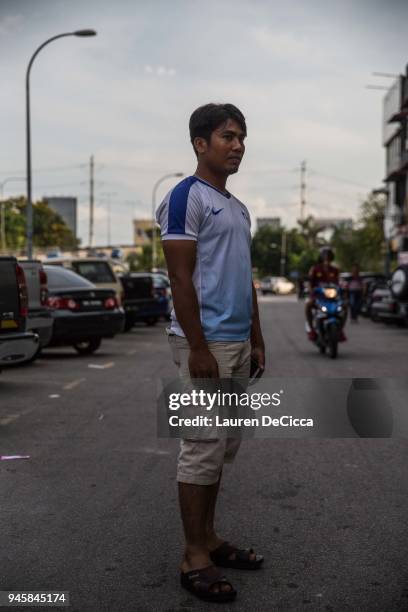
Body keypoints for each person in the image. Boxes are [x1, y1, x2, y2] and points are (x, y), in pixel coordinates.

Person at [156, 103, 265, 603]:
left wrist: (257, 338)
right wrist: (198, 346)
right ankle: (193, 557)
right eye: (228, 136)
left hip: (237, 342)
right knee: (200, 448)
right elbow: (179, 277)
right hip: (205, 344)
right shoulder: (185, 197)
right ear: (201, 143)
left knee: (220, 449)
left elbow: (246, 279)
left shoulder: (238, 208)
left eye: (241, 137)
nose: (238, 144)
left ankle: (210, 539)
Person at [305, 247, 346, 341]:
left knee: (345, 306)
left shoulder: (335, 270)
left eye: (328, 254)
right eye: (324, 254)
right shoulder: (315, 269)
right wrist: (311, 290)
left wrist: (343, 289)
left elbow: (339, 283)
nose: (326, 256)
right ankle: (312, 330)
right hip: (318, 296)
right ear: (321, 256)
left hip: (332, 297)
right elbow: (310, 282)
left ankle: (340, 330)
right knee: (308, 305)